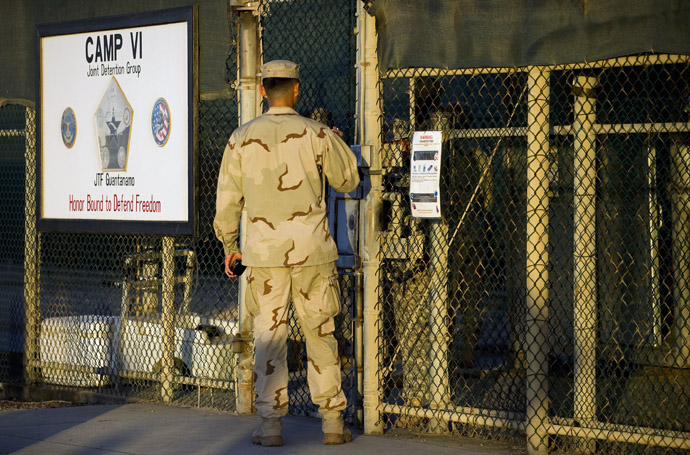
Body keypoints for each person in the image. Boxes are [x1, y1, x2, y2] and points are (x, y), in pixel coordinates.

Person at [213, 59, 359, 446]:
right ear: (296, 89)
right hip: (313, 252)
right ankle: (331, 424)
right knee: (321, 334)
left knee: (269, 338)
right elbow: (348, 178)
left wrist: (231, 247)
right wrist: (336, 141)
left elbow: (227, 203)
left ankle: (271, 427)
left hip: (263, 257)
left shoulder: (240, 138)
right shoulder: (317, 133)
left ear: (263, 91)